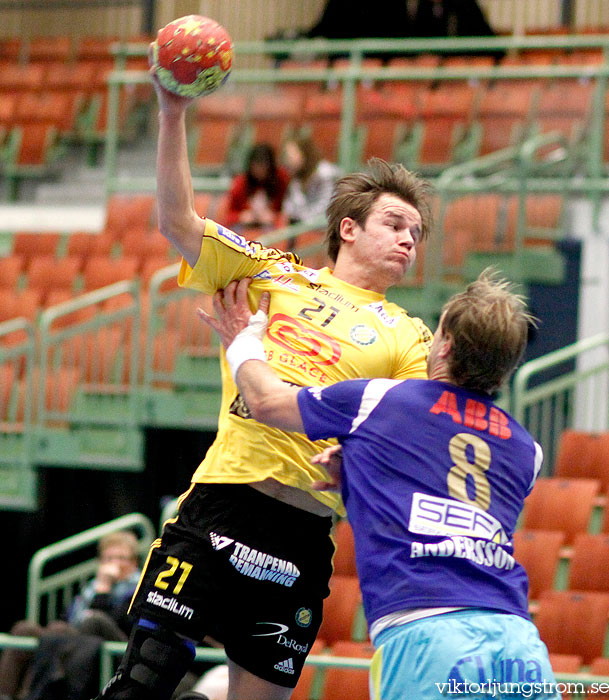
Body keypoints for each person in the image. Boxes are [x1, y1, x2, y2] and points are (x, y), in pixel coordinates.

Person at [94, 46, 433, 700]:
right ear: (348, 229)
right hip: (225, 498)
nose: (408, 241)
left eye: (416, 233)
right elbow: (176, 221)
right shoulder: (273, 275)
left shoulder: (406, 333)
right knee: (139, 683)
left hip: (303, 533)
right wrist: (172, 114)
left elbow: (406, 429)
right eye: (395, 224)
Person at [197, 269, 560, 700]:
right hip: (518, 641)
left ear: (444, 346)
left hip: (427, 634)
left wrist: (244, 340)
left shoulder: (383, 399)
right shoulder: (528, 451)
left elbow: (265, 402)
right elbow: (450, 482)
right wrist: (363, 471)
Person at [0, 531, 141, 700]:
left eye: (121, 557)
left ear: (134, 562)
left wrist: (104, 590)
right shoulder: (90, 588)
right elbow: (67, 617)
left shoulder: (139, 589)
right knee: (25, 629)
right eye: (108, 558)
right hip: (77, 644)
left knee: (92, 620)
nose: (114, 564)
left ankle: (35, 693)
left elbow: (114, 622)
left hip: (113, 653)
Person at [222, 143, 289, 231]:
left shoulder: (281, 179)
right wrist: (241, 217)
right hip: (244, 228)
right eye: (256, 167)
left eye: (263, 167)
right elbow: (228, 216)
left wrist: (273, 217)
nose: (259, 171)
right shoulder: (241, 182)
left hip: (270, 228)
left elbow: (287, 214)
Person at [282, 133, 341, 225]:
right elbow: (289, 209)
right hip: (301, 229)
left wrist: (298, 218)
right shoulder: (296, 179)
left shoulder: (326, 175)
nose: (288, 160)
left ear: (305, 153)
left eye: (291, 155)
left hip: (323, 231)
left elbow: (325, 212)